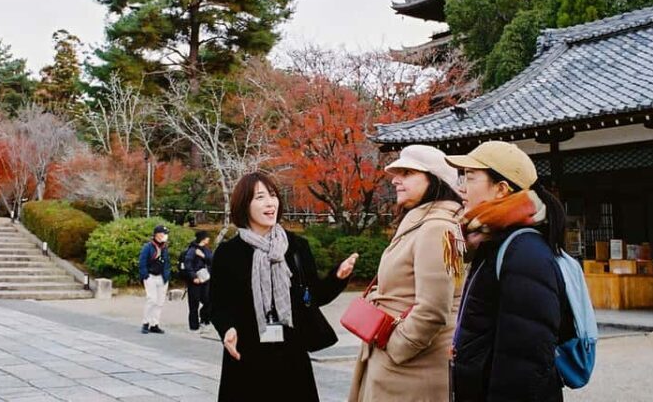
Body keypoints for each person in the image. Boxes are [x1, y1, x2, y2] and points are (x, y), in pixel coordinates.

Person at [210, 172, 358, 401]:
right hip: (247, 355)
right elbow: (218, 305)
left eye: (273, 195)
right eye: (260, 197)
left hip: (291, 355)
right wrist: (227, 329)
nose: (270, 203)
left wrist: (337, 277)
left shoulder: (297, 247)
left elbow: (314, 296)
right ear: (244, 205)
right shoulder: (229, 253)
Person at [446, 141, 570, 402]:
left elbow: (526, 359)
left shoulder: (524, 251)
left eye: (470, 177)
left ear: (501, 189)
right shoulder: (494, 241)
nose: (461, 187)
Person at [348, 144, 465, 402]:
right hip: (401, 367)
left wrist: (396, 347)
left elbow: (433, 308)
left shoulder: (437, 228)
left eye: (408, 173)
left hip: (411, 371)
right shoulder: (425, 224)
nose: (395, 180)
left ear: (435, 180)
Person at [139, 224, 171, 334]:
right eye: (163, 234)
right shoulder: (148, 247)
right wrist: (145, 275)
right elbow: (142, 262)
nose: (165, 236)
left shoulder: (164, 248)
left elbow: (167, 262)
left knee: (159, 302)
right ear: (157, 234)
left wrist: (167, 275)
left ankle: (155, 323)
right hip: (151, 276)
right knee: (151, 299)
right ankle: (145, 322)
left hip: (162, 277)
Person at [184, 230, 213, 332]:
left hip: (206, 279)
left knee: (208, 301)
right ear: (203, 239)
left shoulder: (206, 250)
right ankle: (194, 326)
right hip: (195, 280)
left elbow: (212, 260)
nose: (208, 239)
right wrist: (193, 277)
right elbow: (188, 264)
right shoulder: (192, 250)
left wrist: (203, 256)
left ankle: (205, 320)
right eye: (207, 237)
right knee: (194, 303)